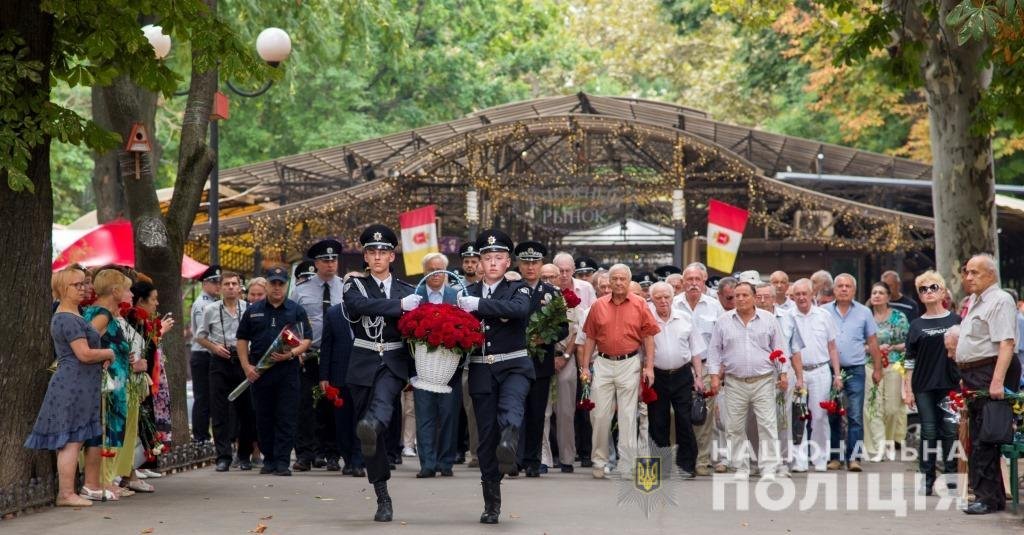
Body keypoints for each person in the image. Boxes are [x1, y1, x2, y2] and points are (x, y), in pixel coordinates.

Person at [345, 224, 418, 522]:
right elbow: (358, 305)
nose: (377, 257)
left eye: (383, 252)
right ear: (365, 255)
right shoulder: (356, 286)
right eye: (372, 252)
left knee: (383, 402)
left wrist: (416, 372)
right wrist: (399, 306)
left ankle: (373, 423)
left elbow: (417, 334)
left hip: (394, 359)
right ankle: (382, 493)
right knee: (370, 441)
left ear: (392, 255)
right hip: (363, 361)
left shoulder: (408, 290)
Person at [459, 229, 532, 524]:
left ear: (508, 263)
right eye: (487, 257)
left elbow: (518, 310)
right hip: (480, 369)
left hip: (514, 366)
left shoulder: (519, 289)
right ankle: (492, 502)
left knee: (511, 410)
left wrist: (479, 307)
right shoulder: (467, 293)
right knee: (486, 438)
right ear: (478, 262)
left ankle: (510, 440)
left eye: (499, 257)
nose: (492, 263)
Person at [25, 267, 115, 507]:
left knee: (73, 438)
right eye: (77, 285)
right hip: (73, 384)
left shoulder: (74, 315)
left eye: (83, 284)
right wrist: (107, 352)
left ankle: (68, 491)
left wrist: (100, 358)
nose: (83, 288)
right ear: (64, 289)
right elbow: (83, 354)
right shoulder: (66, 318)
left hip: (79, 383)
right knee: (70, 440)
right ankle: (66, 493)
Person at [955, 253, 1022, 514]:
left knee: (987, 436)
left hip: (990, 372)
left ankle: (986, 498)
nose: (968, 277)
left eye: (975, 272)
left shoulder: (1000, 300)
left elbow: (1006, 342)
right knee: (980, 436)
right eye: (967, 271)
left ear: (991, 275)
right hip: (976, 373)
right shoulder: (975, 300)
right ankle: (990, 496)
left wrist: (996, 381)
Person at [579, 264, 659, 480]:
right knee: (600, 415)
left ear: (629, 280)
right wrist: (585, 367)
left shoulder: (640, 303)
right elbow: (590, 338)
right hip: (603, 363)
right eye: (615, 279)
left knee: (627, 415)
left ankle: (627, 464)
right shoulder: (598, 305)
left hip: (629, 363)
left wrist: (649, 367)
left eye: (623, 279)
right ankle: (599, 461)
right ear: (609, 282)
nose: (619, 282)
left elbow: (649, 337)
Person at [236, 266, 313, 477]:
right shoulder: (253, 310)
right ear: (266, 285)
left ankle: (282, 461)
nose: (277, 288)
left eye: (281, 284)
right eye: (273, 283)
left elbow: (307, 338)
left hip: (287, 371)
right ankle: (268, 459)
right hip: (260, 372)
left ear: (286, 285)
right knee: (263, 417)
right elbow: (242, 339)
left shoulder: (295, 310)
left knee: (286, 417)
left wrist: (292, 353)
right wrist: (246, 366)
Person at [707, 282, 787, 480]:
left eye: (745, 295)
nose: (741, 299)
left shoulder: (768, 320)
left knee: (767, 425)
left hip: (764, 380)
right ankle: (740, 467)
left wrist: (783, 373)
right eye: (737, 295)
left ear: (754, 297)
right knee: (734, 426)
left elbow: (780, 347)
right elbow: (714, 351)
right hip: (734, 381)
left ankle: (768, 468)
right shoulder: (723, 321)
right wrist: (714, 376)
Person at [290, 239, 345, 472]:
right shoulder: (301, 291)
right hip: (308, 355)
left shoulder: (346, 288)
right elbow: (288, 323)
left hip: (335, 357)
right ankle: (305, 454)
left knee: (333, 405)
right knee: (305, 406)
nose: (330, 264)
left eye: (333, 260)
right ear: (316, 263)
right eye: (325, 260)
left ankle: (332, 453)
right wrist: (295, 349)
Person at [903, 270, 960, 496]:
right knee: (928, 432)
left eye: (933, 287)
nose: (928, 292)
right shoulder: (916, 325)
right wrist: (906, 388)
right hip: (924, 385)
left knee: (949, 431)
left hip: (950, 384)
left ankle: (953, 479)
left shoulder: (956, 320)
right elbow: (909, 359)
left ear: (943, 291)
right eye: (923, 289)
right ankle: (927, 480)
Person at [515, 241, 567, 478]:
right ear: (519, 264)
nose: (530, 267)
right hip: (514, 360)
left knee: (536, 413)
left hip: (540, 363)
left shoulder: (552, 293)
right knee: (515, 412)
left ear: (542, 264)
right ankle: (514, 459)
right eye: (525, 262)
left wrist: (543, 338)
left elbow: (563, 329)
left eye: (534, 262)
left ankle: (533, 460)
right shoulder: (510, 289)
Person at [195, 271, 254, 472]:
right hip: (220, 361)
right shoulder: (210, 309)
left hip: (242, 361)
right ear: (220, 288)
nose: (230, 287)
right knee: (219, 409)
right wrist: (213, 347)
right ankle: (223, 456)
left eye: (234, 284)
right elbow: (200, 336)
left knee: (246, 409)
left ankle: (244, 455)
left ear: (240, 288)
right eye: (226, 284)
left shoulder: (248, 309)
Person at [824, 274, 883, 471]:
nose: (843, 289)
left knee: (855, 415)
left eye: (847, 286)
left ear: (854, 290)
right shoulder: (823, 312)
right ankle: (834, 457)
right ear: (833, 290)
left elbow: (873, 341)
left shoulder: (864, 312)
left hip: (856, 368)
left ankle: (854, 458)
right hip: (830, 369)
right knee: (832, 414)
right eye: (839, 286)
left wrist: (877, 368)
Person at [673, 263, 727, 475]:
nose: (693, 284)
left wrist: (718, 371)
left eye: (698, 280)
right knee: (676, 413)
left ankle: (701, 461)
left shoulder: (715, 307)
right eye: (689, 280)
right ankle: (681, 457)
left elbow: (723, 341)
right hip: (678, 367)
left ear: (704, 282)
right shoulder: (674, 304)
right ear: (682, 282)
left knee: (702, 415)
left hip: (706, 366)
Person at [647, 282, 705, 478]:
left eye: (667, 297)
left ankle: (687, 465)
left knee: (685, 420)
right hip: (657, 376)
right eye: (658, 298)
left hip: (682, 375)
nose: (663, 301)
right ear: (652, 299)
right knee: (658, 421)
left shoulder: (685, 318)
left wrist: (698, 376)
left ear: (673, 298)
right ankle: (660, 467)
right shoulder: (647, 319)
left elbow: (696, 350)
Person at [411, 252, 461, 478]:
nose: (436, 274)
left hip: (450, 368)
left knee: (449, 415)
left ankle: (446, 462)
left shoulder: (455, 296)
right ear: (425, 272)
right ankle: (427, 464)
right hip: (422, 366)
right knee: (424, 416)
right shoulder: (415, 295)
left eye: (440, 270)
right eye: (432, 270)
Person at [787, 279, 842, 473]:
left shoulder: (824, 316)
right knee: (798, 416)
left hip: (820, 370)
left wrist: (837, 375)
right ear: (792, 297)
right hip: (796, 373)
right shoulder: (787, 317)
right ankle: (799, 461)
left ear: (812, 294)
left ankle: (820, 459)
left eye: (805, 293)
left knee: (819, 416)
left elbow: (833, 347)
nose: (801, 297)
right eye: (797, 294)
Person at [319, 290, 365, 477]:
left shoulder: (369, 311)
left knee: (361, 420)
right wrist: (324, 377)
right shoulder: (333, 313)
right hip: (340, 375)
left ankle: (358, 461)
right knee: (343, 421)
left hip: (364, 375)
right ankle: (347, 459)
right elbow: (326, 346)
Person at [863, 282, 909, 462]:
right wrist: (872, 348)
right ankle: (877, 447)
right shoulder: (865, 316)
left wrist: (891, 347)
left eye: (881, 292)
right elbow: (858, 343)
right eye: (874, 292)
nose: (877, 295)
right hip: (869, 364)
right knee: (873, 407)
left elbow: (907, 343)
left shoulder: (899, 317)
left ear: (888, 297)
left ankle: (888, 442)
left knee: (891, 408)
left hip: (893, 365)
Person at [189, 266, 222, 443]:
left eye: (219, 282)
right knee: (203, 397)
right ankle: (200, 436)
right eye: (214, 282)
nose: (218, 286)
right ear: (205, 283)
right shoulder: (202, 304)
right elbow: (204, 333)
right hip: (203, 354)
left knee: (211, 397)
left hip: (211, 353)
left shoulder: (214, 302)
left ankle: (205, 435)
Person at [457, 240, 482, 467]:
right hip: (466, 357)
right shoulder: (457, 289)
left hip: (490, 353)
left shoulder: (489, 288)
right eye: (468, 261)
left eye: (475, 261)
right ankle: (474, 452)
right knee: (470, 408)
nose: (471, 265)